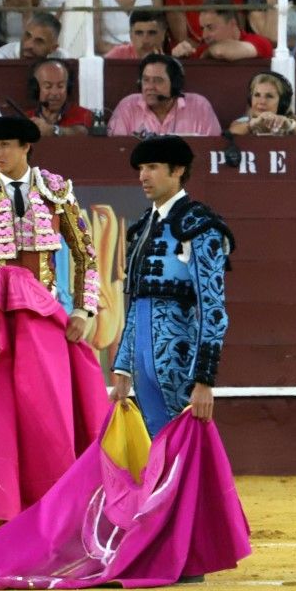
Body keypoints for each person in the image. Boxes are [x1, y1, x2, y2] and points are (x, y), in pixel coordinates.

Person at [0, 114, 105, 535]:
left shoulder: (57, 192)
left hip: (46, 320)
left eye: (6, 145)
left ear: (26, 146)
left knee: (48, 413)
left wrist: (84, 311)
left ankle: (55, 503)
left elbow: (87, 256)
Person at [110, 134, 234, 436]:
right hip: (142, 356)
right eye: (141, 168)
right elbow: (134, 300)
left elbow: (212, 307)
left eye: (152, 167)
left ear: (178, 170)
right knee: (157, 439)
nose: (143, 176)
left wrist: (204, 379)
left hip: (180, 358)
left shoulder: (200, 226)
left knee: (185, 442)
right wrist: (124, 367)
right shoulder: (142, 227)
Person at [106, 52, 224, 136]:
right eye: (146, 80)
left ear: (175, 84)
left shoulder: (200, 107)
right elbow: (115, 151)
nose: (150, 87)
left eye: (158, 80)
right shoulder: (127, 107)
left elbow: (212, 150)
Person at [229, 70, 296, 136]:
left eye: (269, 96)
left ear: (282, 102)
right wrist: (252, 125)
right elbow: (230, 133)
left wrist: (289, 125)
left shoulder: (293, 120)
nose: (262, 101)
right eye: (257, 95)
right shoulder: (243, 122)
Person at [26, 52, 93, 136]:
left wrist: (54, 131)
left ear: (68, 88)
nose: (55, 93)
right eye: (48, 86)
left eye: (60, 86)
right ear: (36, 88)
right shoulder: (26, 119)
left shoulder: (84, 114)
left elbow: (81, 132)